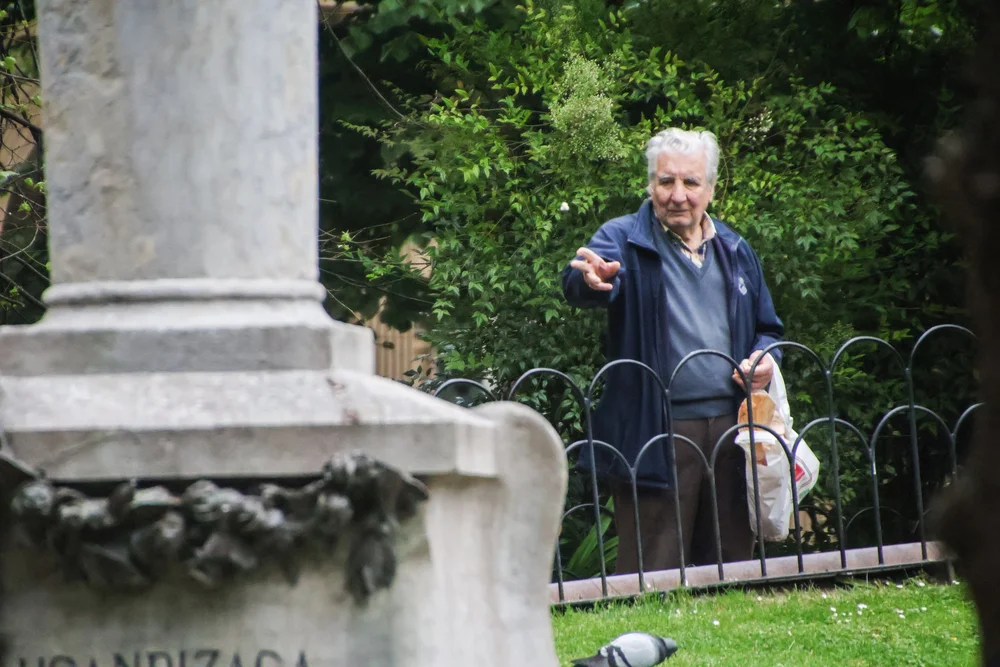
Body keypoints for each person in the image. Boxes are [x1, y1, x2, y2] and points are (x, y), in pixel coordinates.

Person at [561, 128, 784, 573]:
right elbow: (583, 283)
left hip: (732, 430)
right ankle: (648, 642)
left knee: (728, 566)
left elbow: (768, 329)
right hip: (657, 430)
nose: (678, 195)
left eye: (691, 182)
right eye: (666, 182)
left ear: (711, 189)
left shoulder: (736, 250)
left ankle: (727, 640)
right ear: (650, 185)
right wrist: (593, 281)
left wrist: (765, 358)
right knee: (652, 572)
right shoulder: (624, 239)